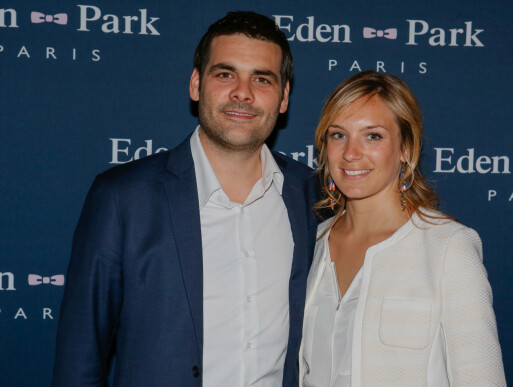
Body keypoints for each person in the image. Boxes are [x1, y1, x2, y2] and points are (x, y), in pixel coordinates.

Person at [52, 11, 318, 386]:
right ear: (196, 84)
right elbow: (79, 359)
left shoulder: (311, 195)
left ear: (284, 97)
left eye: (262, 78)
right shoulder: (123, 197)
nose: (243, 92)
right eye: (225, 74)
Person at [299, 71, 506, 386]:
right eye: (338, 135)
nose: (351, 153)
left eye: (373, 136)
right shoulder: (312, 243)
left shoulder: (447, 247)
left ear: (406, 148)